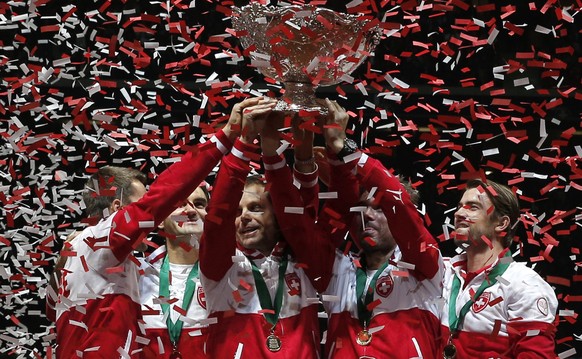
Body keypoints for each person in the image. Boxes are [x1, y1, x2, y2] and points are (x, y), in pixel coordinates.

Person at [49, 97, 273, 358]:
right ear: (117, 210)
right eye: (140, 204)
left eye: (200, 203)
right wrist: (227, 136)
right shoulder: (101, 245)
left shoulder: (97, 259)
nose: (154, 216)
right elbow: (160, 197)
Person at [314, 99, 444, 358]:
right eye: (361, 208)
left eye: (378, 208)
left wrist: (345, 149)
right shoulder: (337, 269)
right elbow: (324, 226)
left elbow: (398, 202)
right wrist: (330, 161)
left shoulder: (425, 266)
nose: (367, 216)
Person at [199, 110, 322, 358]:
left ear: (278, 216)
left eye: (255, 208)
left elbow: (302, 210)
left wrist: (275, 152)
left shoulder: (304, 261)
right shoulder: (221, 268)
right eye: (237, 212)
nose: (243, 216)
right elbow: (217, 219)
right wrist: (244, 142)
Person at [440, 178, 558, 358]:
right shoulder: (445, 272)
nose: (458, 213)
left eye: (472, 207)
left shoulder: (524, 283)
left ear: (501, 224)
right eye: (459, 206)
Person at [139, 185, 210, 358]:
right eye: (180, 204)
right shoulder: (137, 274)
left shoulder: (227, 273)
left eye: (199, 204)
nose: (190, 210)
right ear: (161, 220)